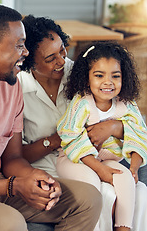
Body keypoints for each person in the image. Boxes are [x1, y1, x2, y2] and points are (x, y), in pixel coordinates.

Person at [0, 4, 102, 231]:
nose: (26, 53)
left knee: (88, 198)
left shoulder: (10, 86)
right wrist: (12, 186)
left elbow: (12, 157)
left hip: (2, 184)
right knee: (10, 223)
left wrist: (37, 178)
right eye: (19, 45)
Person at [18, 15, 147, 231]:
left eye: (62, 50)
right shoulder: (17, 89)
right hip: (48, 169)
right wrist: (58, 140)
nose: (61, 60)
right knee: (101, 195)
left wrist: (113, 127)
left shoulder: (84, 74)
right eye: (50, 58)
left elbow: (130, 119)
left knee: (139, 192)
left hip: (92, 159)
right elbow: (16, 155)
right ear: (30, 60)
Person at [56, 42, 147, 231]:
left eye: (115, 76)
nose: (108, 82)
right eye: (99, 76)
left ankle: (124, 227)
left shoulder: (126, 105)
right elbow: (70, 136)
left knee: (124, 178)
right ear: (87, 78)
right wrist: (98, 168)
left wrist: (134, 168)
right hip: (75, 160)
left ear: (124, 77)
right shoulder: (82, 103)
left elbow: (139, 135)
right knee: (92, 184)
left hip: (105, 160)